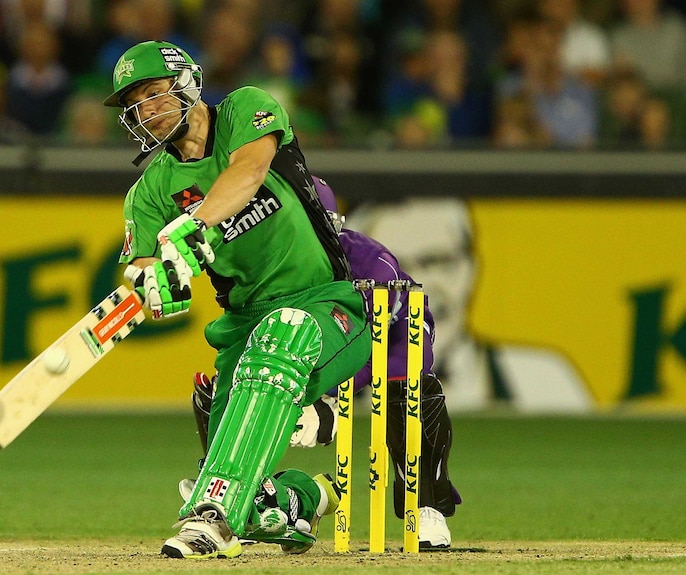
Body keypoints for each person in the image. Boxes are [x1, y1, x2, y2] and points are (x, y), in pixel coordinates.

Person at [103, 40, 372, 559]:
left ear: (186, 83)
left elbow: (248, 172)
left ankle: (212, 518)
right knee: (248, 486)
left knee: (284, 330)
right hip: (243, 332)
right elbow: (140, 267)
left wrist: (196, 230)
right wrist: (155, 285)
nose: (146, 113)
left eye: (153, 95)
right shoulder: (149, 192)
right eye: (134, 105)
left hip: (330, 307)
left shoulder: (247, 109)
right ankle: (301, 499)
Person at [186, 175, 460, 549]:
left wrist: (326, 399)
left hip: (393, 333)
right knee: (226, 387)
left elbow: (362, 341)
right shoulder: (274, 268)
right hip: (313, 346)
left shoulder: (369, 262)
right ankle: (250, 499)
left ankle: (425, 506)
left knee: (408, 386)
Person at [347, 198, 594, 412]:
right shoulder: (339, 378)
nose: (420, 286)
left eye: (437, 262)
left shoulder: (542, 378)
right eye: (394, 268)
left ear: (471, 268)